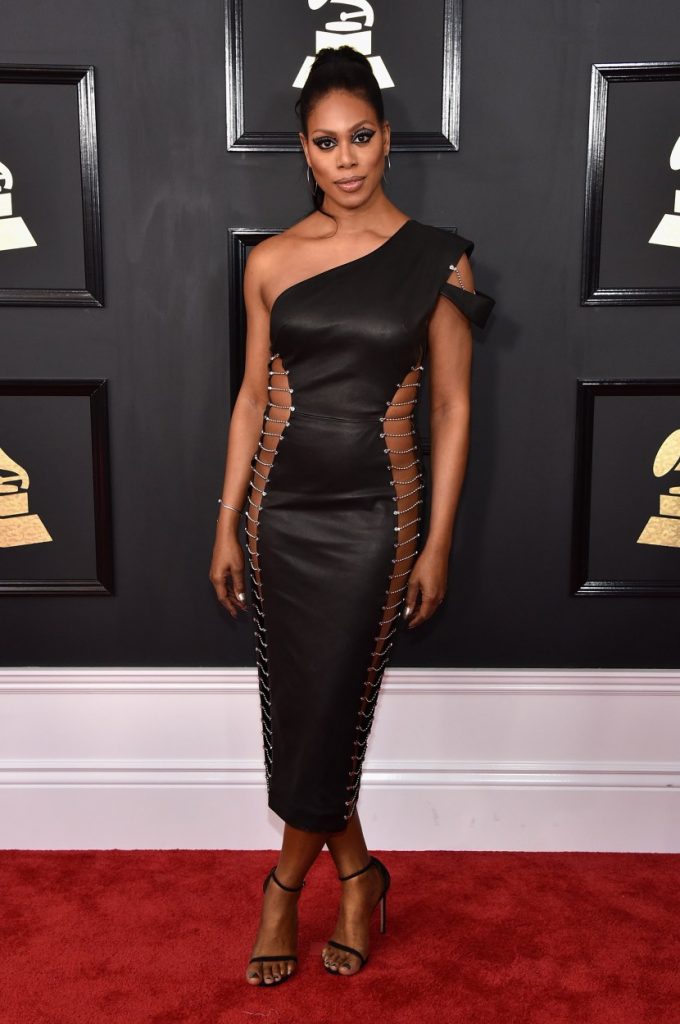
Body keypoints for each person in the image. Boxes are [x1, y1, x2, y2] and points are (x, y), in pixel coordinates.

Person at [209, 45, 495, 987]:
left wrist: (439, 541)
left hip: (380, 514)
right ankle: (360, 876)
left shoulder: (435, 256)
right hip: (278, 515)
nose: (345, 159)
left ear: (386, 141)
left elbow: (452, 407)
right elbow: (252, 396)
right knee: (301, 708)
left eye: (361, 137)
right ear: (302, 150)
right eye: (326, 143)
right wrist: (225, 523)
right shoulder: (271, 260)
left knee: (334, 701)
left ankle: (284, 888)